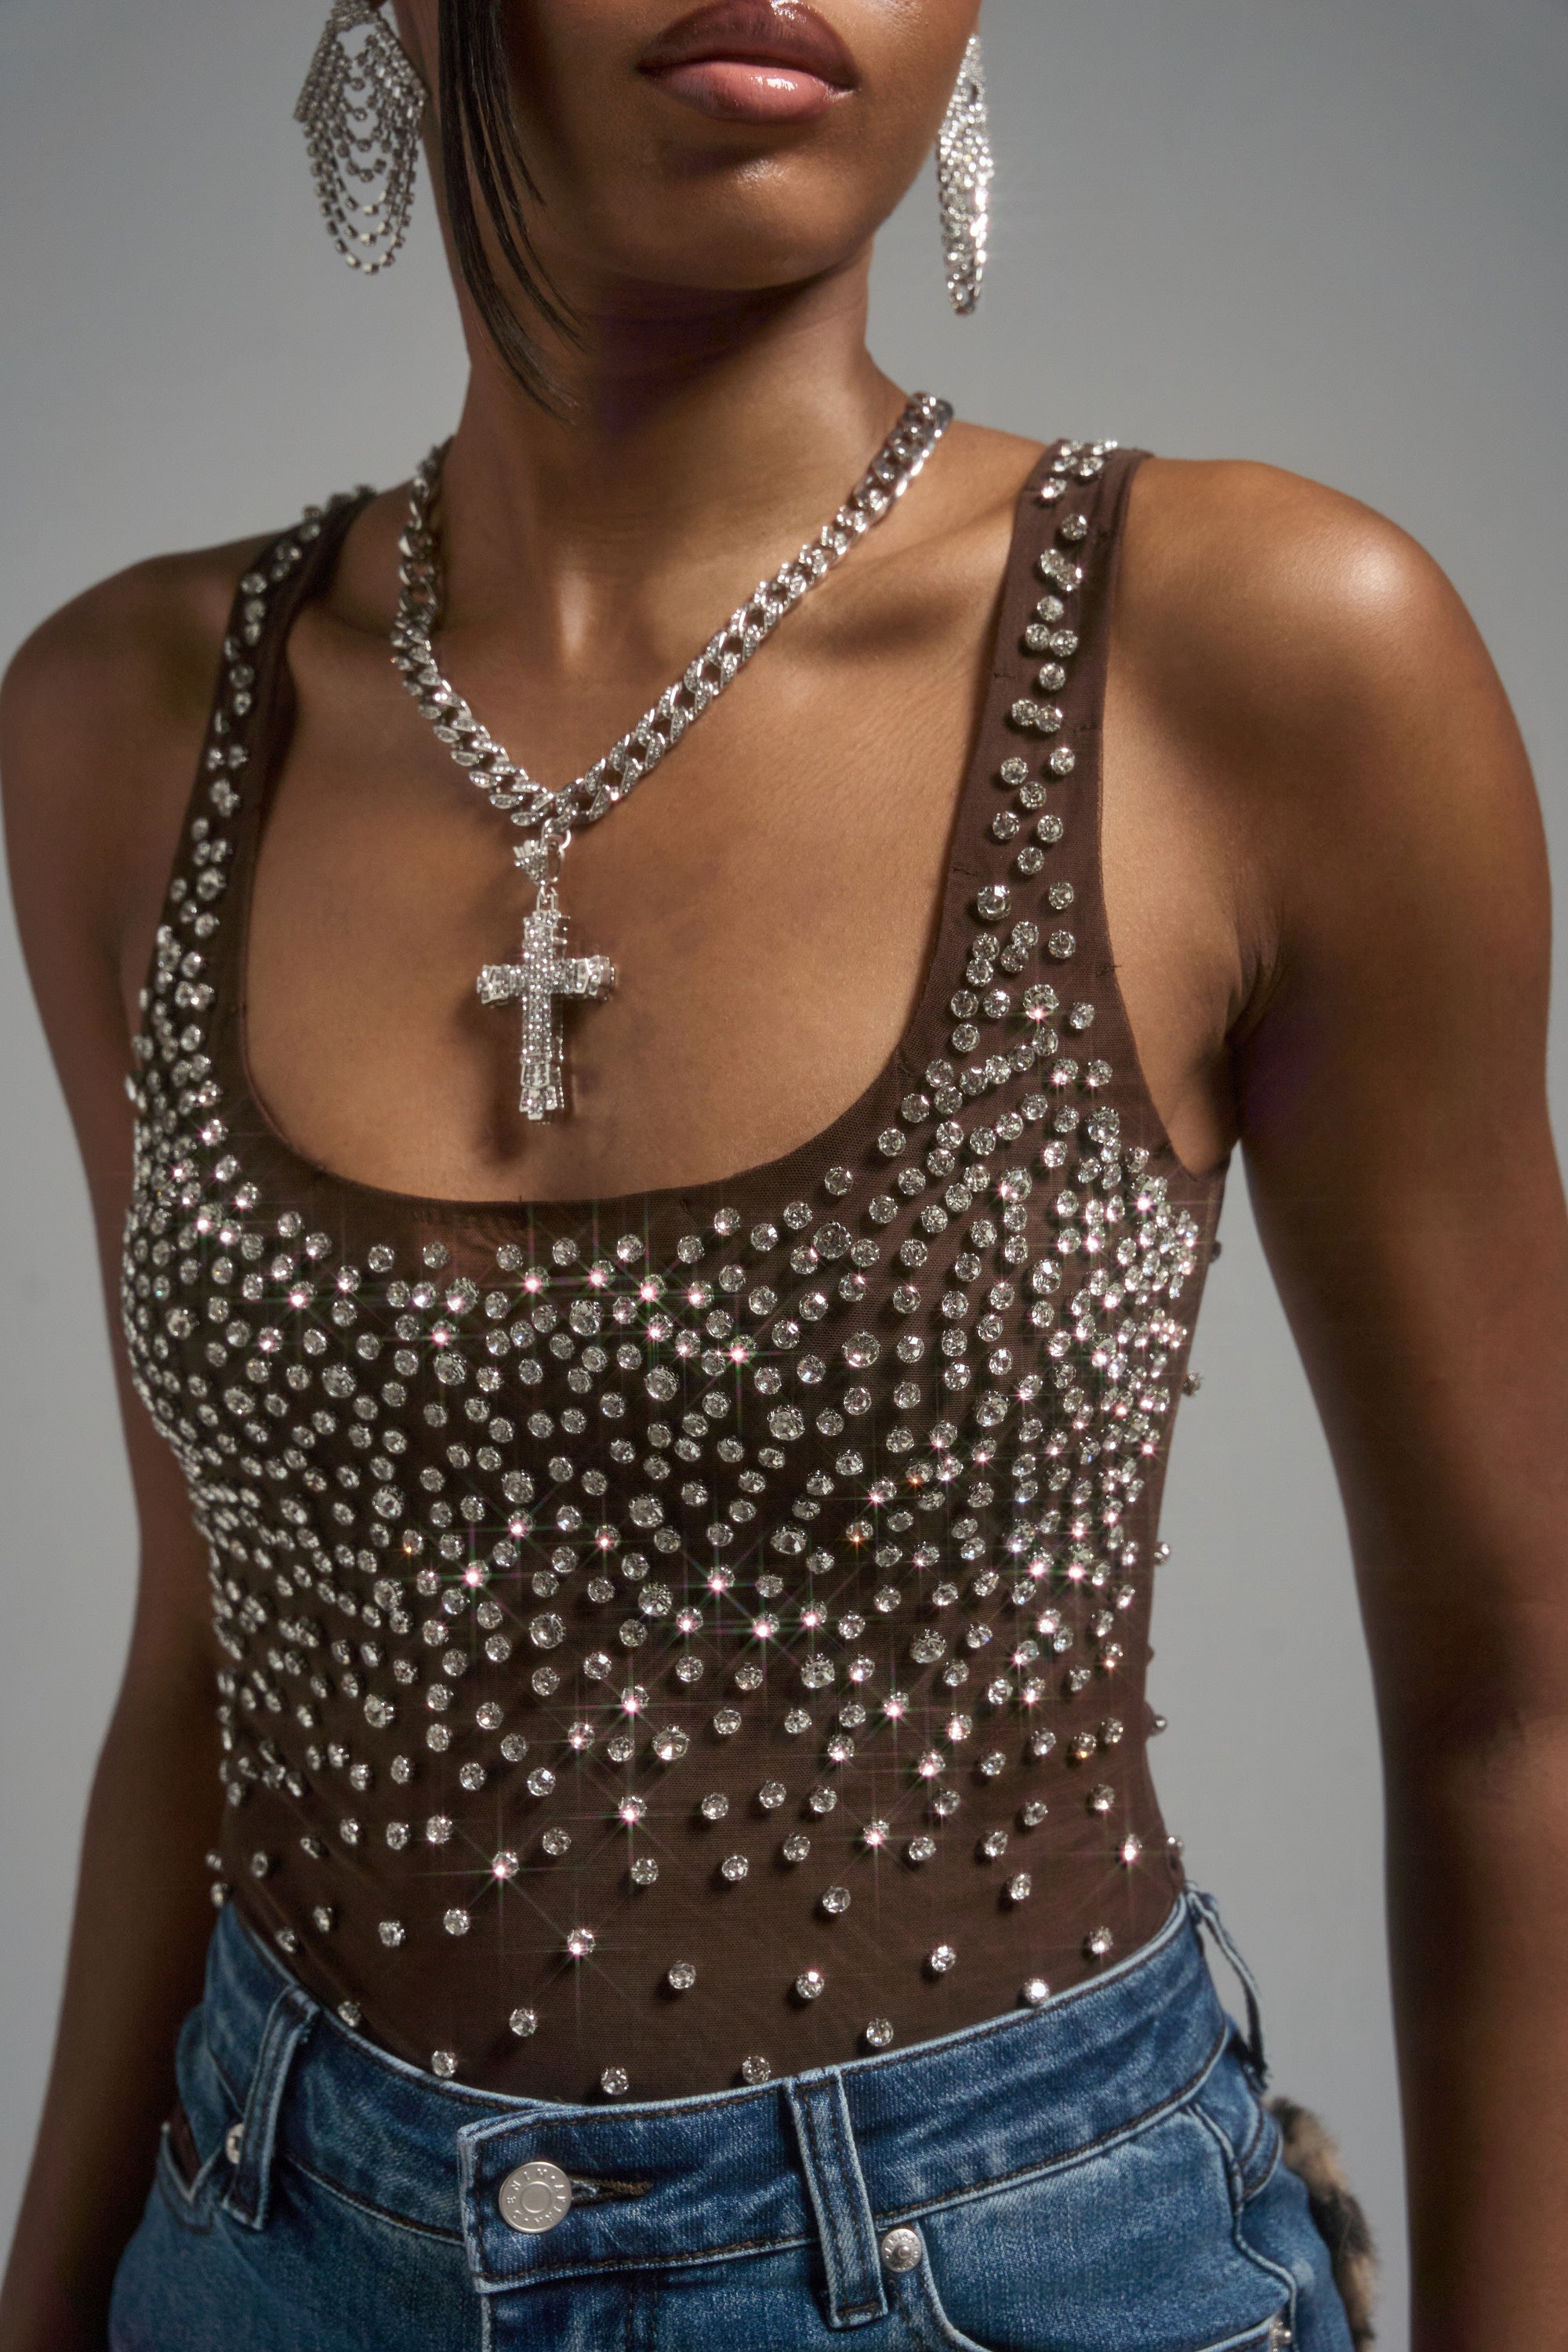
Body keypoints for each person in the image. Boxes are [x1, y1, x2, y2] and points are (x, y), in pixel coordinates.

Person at [2, 3, 1564, 2346]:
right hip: (257, 2252)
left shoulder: (1259, 657)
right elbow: (211, 1659)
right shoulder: (126, 722)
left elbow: (1513, 1699)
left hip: (1026, 2272)